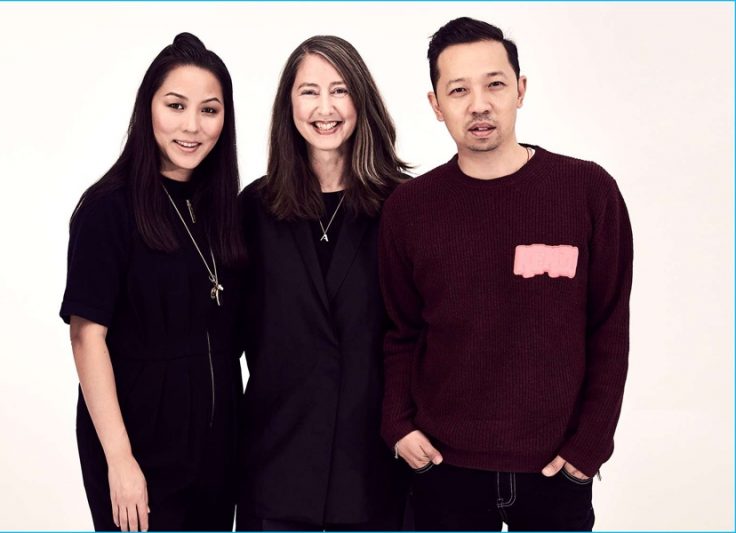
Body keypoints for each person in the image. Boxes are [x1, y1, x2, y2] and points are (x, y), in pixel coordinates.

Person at [379, 17, 633, 531]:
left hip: (555, 473)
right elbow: (399, 332)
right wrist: (397, 425)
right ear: (435, 104)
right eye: (458, 89)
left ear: (519, 90)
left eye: (494, 84)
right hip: (443, 472)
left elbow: (609, 327)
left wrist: (591, 446)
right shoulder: (410, 208)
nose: (479, 104)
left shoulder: (587, 191)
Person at [59, 33, 244, 532]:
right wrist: (120, 461)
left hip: (217, 447)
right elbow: (86, 335)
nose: (192, 126)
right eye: (175, 105)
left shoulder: (224, 209)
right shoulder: (108, 208)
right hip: (139, 445)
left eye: (209, 110)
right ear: (148, 109)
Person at [237, 35, 410, 531]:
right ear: (288, 104)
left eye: (339, 90)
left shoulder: (403, 205)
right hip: (276, 467)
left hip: (376, 470)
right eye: (309, 91)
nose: (325, 107)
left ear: (362, 100)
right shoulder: (255, 208)